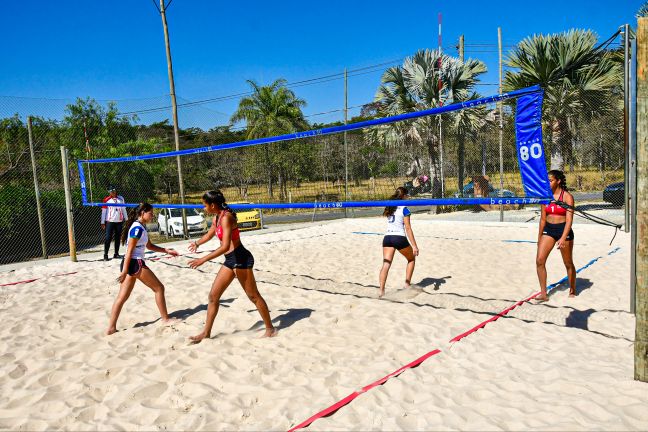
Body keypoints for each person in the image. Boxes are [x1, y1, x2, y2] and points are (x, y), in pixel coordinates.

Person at [187, 190, 276, 343]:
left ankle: (270, 329)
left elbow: (225, 246)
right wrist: (196, 243)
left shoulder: (226, 218)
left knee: (253, 296)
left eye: (204, 205)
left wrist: (203, 259)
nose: (203, 208)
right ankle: (206, 333)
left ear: (212, 205)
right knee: (213, 297)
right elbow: (209, 235)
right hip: (230, 260)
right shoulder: (217, 217)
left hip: (241, 258)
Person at [106, 203, 179, 335]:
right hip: (134, 263)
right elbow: (129, 251)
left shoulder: (140, 226)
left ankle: (111, 328)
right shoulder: (137, 228)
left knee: (122, 297)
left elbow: (149, 246)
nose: (152, 215)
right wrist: (124, 272)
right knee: (159, 288)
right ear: (142, 213)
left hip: (131, 264)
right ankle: (165, 319)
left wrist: (166, 250)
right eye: (150, 213)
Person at [536, 170, 576, 302]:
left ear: (558, 181)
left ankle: (572, 289)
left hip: (563, 230)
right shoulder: (545, 197)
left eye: (550, 180)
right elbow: (542, 219)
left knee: (568, 263)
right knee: (539, 261)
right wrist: (539, 237)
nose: (548, 183)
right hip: (549, 229)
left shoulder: (567, 197)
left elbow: (569, 220)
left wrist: (563, 237)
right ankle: (543, 294)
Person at [379, 187, 419, 298]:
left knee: (386, 264)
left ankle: (381, 291)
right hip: (399, 237)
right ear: (404, 196)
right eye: (408, 195)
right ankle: (407, 285)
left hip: (387, 238)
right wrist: (415, 246)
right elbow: (408, 228)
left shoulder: (390, 207)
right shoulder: (405, 209)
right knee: (411, 259)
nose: (409, 197)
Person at [101, 186, 128, 261]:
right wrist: (102, 222)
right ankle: (105, 255)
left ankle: (116, 254)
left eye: (114, 190)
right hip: (110, 221)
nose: (112, 192)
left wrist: (127, 219)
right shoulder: (106, 200)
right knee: (108, 238)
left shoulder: (121, 198)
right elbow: (104, 212)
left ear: (116, 190)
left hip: (119, 221)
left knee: (117, 238)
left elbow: (124, 209)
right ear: (109, 192)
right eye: (111, 191)